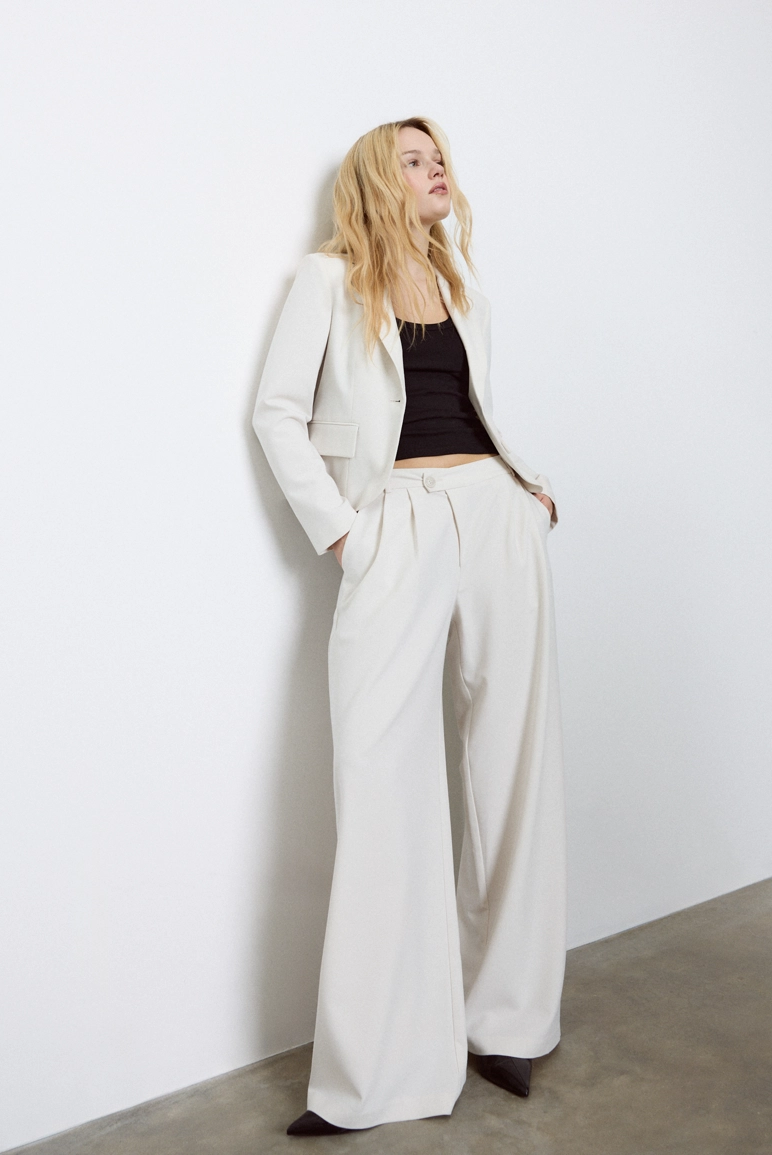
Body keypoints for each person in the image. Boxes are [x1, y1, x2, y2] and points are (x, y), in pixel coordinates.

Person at [252, 117, 566, 1136]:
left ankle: (507, 1021)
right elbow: (275, 413)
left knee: (511, 767)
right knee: (381, 779)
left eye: (441, 160)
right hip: (394, 525)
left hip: (493, 515)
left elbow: (472, 407)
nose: (436, 172)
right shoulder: (326, 279)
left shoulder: (457, 282)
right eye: (414, 161)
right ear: (374, 182)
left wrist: (524, 494)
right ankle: (379, 1067)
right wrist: (346, 536)